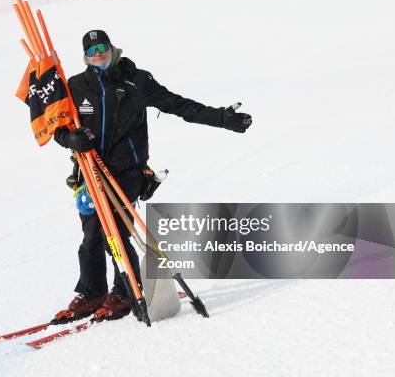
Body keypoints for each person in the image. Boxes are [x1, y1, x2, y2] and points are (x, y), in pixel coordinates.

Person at [53, 30, 252, 322]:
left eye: (102, 47)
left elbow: (179, 105)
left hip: (127, 171)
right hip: (90, 170)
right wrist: (70, 140)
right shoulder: (76, 86)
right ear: (85, 56)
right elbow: (56, 125)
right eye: (91, 50)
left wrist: (221, 118)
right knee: (92, 236)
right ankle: (91, 292)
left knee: (117, 234)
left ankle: (123, 292)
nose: (98, 54)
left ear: (111, 48)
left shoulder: (137, 80)